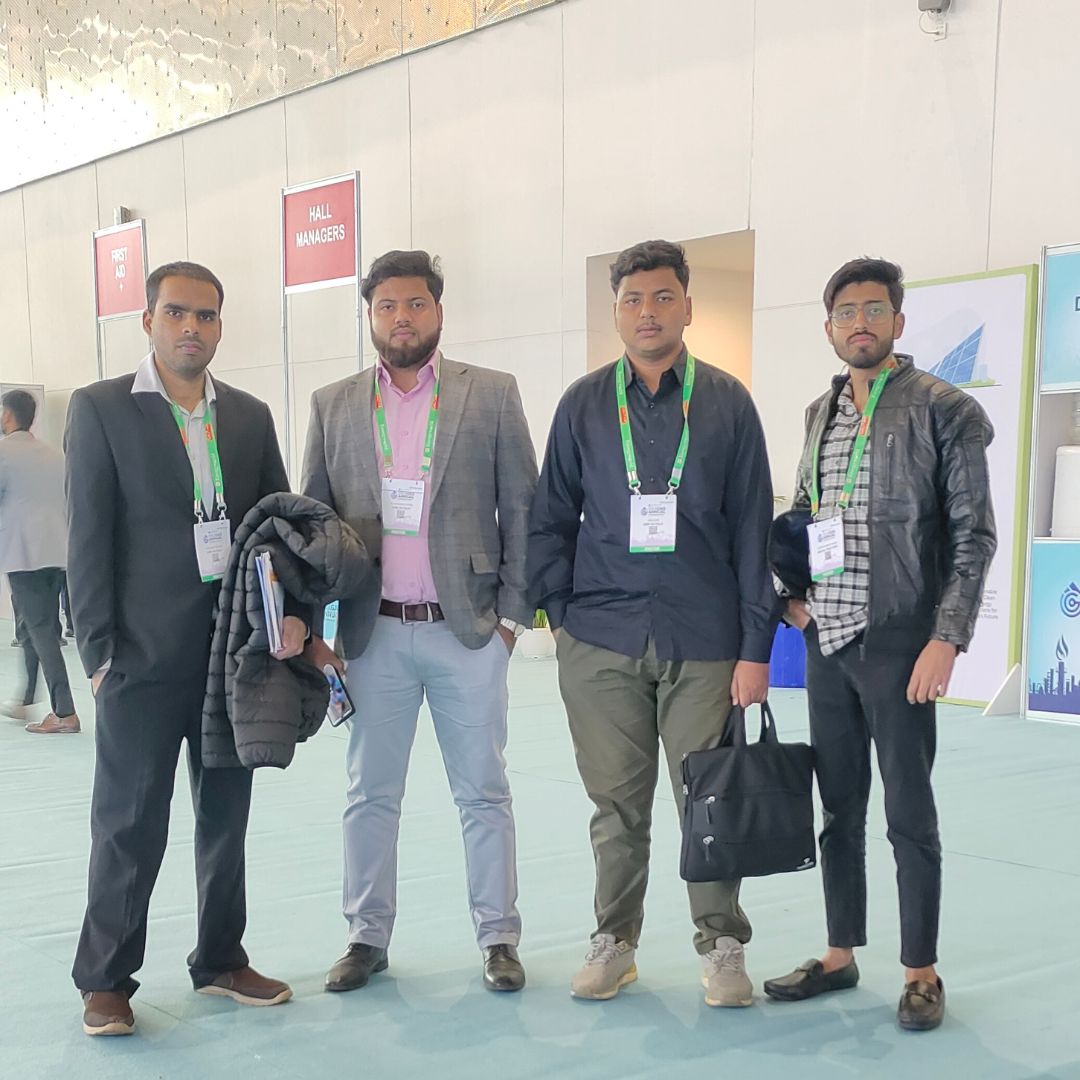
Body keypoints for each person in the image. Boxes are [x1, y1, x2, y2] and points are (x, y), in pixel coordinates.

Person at [528, 239, 778, 1005]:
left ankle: (722, 946)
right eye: (633, 299)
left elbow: (753, 533)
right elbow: (549, 519)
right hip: (600, 640)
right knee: (615, 806)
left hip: (704, 641)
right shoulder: (583, 404)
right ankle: (615, 942)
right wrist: (563, 621)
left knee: (710, 799)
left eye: (663, 296)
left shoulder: (728, 403)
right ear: (615, 313)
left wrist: (755, 648)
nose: (648, 311)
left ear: (688, 307)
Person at [66, 261, 306, 1037]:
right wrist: (100, 655)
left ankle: (221, 958)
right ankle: (106, 980)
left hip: (232, 656)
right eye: (175, 313)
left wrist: (289, 620)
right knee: (130, 821)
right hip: (139, 660)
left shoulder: (248, 417)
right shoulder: (102, 409)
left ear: (220, 326)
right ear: (148, 321)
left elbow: (276, 531)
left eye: (205, 315)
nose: (190, 328)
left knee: (225, 817)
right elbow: (87, 536)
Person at [763, 258, 997, 1031]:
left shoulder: (944, 409)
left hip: (900, 639)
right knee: (839, 809)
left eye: (873, 310)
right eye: (845, 313)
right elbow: (805, 512)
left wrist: (946, 638)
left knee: (908, 812)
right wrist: (792, 600)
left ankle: (921, 971)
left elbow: (973, 535)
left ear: (897, 321)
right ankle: (840, 954)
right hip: (827, 640)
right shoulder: (820, 412)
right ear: (828, 328)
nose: (858, 324)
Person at [303, 249, 537, 994]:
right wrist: (317, 633)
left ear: (438, 310)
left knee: (484, 793)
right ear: (370, 316)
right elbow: (312, 529)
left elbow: (523, 510)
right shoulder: (333, 404)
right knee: (370, 795)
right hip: (370, 635)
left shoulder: (490, 394)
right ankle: (365, 936)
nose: (400, 318)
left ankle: (498, 937)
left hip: (468, 631)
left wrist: (511, 623)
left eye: (415, 304)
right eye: (386, 306)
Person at [0, 389, 79, 733]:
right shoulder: (54, 455)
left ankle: (64, 711)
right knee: (33, 625)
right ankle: (26, 698)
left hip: (23, 553)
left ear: (7, 415)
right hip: (56, 551)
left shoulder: (3, 452)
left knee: (41, 629)